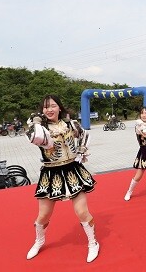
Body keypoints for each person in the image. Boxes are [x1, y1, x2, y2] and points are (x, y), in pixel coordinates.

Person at [25, 95, 99, 263]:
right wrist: (37, 120)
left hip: (73, 171)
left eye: (52, 106)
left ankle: (93, 242)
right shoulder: (38, 128)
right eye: (45, 107)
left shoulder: (71, 124)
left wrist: (80, 151)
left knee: (81, 211)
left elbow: (84, 135)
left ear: (59, 107)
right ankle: (39, 241)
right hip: (51, 174)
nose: (49, 109)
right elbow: (34, 136)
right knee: (43, 215)